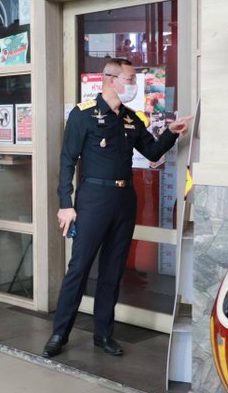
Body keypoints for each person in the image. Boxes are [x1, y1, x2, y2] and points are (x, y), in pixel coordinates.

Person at [42, 58, 192, 358]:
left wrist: (172, 132)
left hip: (124, 201)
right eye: (131, 79)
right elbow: (67, 161)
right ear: (111, 79)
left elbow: (150, 151)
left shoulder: (131, 118)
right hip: (93, 199)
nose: (134, 84)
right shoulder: (83, 115)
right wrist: (66, 205)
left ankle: (103, 335)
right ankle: (60, 333)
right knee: (80, 267)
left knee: (112, 270)